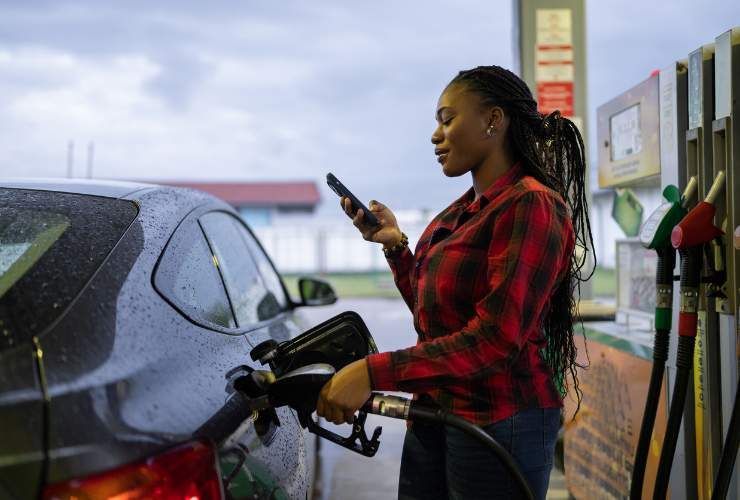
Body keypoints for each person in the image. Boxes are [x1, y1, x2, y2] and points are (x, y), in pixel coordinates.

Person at [315, 65, 593, 500]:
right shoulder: (462, 211)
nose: (435, 135)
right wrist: (395, 247)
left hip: (501, 421)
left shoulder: (531, 206)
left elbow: (494, 339)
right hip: (439, 414)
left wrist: (373, 372)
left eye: (447, 120)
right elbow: (436, 316)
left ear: (492, 120)